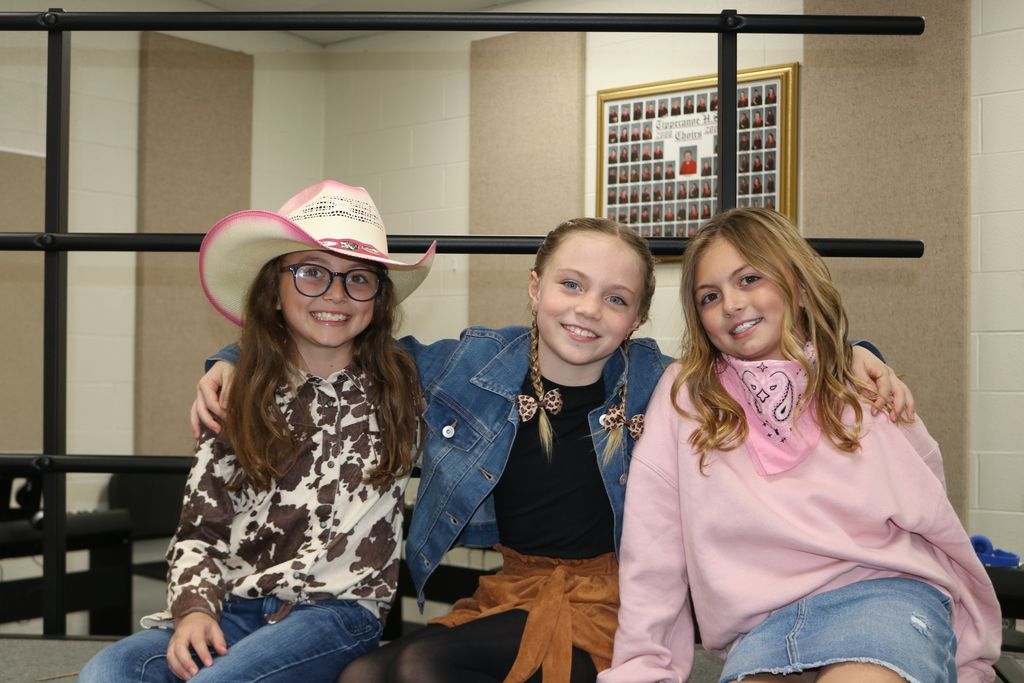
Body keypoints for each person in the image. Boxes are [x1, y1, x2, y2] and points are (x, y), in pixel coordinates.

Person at [192, 216, 911, 683]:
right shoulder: (466, 366)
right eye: (571, 285)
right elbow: (347, 340)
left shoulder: (664, 380)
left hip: (621, 601)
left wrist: (854, 353)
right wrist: (230, 356)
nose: (587, 310)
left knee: (419, 671)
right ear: (535, 289)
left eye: (616, 298)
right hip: (513, 591)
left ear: (638, 318)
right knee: (369, 676)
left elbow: (764, 366)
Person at [600, 208, 1001, 683]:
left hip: (882, 597)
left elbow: (934, 519)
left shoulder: (861, 384)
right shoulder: (686, 398)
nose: (730, 303)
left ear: (802, 288)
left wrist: (968, 650)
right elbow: (653, 548)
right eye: (710, 295)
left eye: (750, 278)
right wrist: (643, 668)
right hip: (763, 628)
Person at [80, 181, 435, 683]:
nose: (336, 294)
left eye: (358, 278)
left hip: (337, 610)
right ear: (273, 291)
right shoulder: (239, 394)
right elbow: (200, 527)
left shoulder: (405, 381)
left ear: (377, 297)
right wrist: (195, 610)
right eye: (311, 273)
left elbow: (497, 362)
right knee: (110, 672)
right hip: (235, 601)